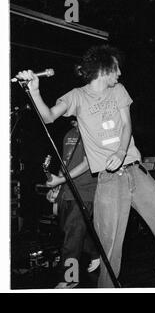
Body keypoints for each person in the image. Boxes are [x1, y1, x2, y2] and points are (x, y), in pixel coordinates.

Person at [15, 45, 155, 288]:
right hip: (109, 179)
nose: (119, 73)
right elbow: (48, 117)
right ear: (105, 67)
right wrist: (34, 91)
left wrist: (120, 152)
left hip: (135, 169)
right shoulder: (76, 96)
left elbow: (127, 126)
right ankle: (107, 288)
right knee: (109, 242)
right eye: (116, 68)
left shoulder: (118, 90)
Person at [45, 119, 100, 288]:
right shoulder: (69, 134)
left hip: (84, 191)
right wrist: (57, 186)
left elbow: (88, 163)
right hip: (67, 190)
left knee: (72, 235)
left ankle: (70, 277)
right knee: (71, 231)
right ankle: (95, 252)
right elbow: (65, 163)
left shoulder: (92, 131)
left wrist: (61, 180)